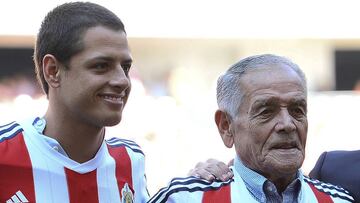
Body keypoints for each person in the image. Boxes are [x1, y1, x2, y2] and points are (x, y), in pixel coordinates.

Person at [149, 54, 354, 203]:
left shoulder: (340, 200)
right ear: (226, 126)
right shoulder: (184, 199)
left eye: (297, 110)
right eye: (266, 111)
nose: (287, 124)